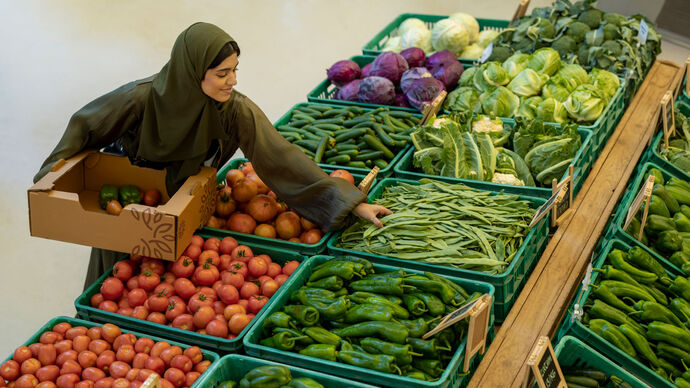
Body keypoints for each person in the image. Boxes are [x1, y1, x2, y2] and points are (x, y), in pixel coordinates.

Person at [33, 22, 392, 289]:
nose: (232, 80)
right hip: (131, 205)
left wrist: (349, 202)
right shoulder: (141, 99)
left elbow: (278, 156)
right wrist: (53, 182)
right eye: (222, 73)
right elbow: (85, 126)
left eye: (235, 70)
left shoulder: (234, 110)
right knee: (113, 282)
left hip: (188, 204)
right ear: (193, 71)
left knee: (165, 285)